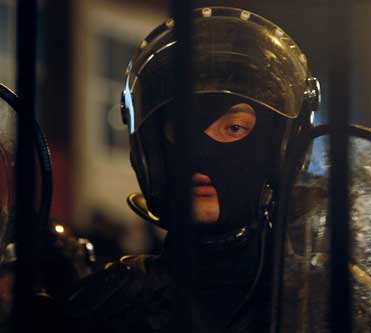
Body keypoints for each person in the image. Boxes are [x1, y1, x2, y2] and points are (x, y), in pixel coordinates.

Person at [66, 6, 320, 333]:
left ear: (281, 150)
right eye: (183, 133)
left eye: (234, 128)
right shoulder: (112, 308)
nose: (201, 154)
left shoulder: (319, 302)